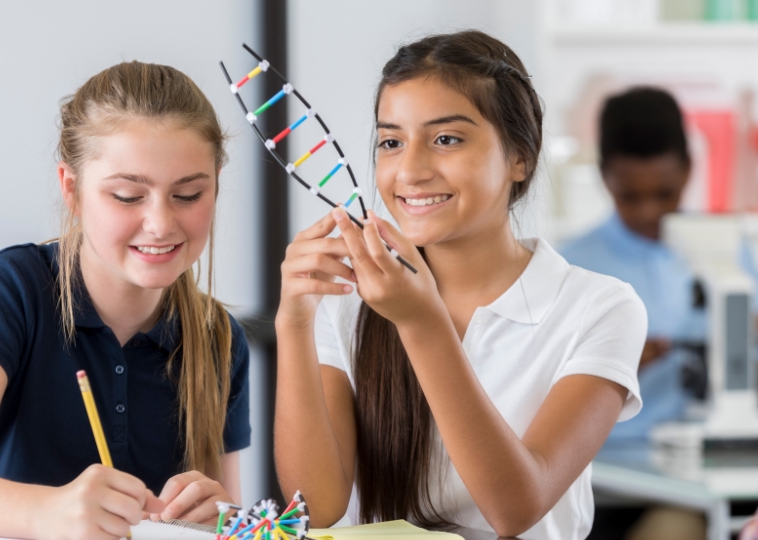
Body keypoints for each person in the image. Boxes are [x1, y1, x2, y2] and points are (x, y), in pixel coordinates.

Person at [273, 30, 646, 540]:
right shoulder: (349, 304)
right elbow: (316, 509)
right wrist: (294, 322)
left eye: (446, 139)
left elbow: (516, 509)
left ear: (521, 158)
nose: (410, 170)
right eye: (390, 142)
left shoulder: (598, 307)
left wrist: (421, 321)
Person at [0, 62, 250, 540]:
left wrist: (221, 520)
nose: (161, 223)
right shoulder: (14, 288)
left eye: (188, 194)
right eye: (128, 196)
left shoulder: (219, 336)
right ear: (72, 189)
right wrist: (52, 511)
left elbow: (225, 512)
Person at [560, 87, 758, 442]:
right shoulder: (569, 265)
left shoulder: (729, 246)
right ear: (605, 177)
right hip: (616, 470)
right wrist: (606, 370)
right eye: (630, 197)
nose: (649, 212)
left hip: (719, 452)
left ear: (688, 170)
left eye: (664, 193)